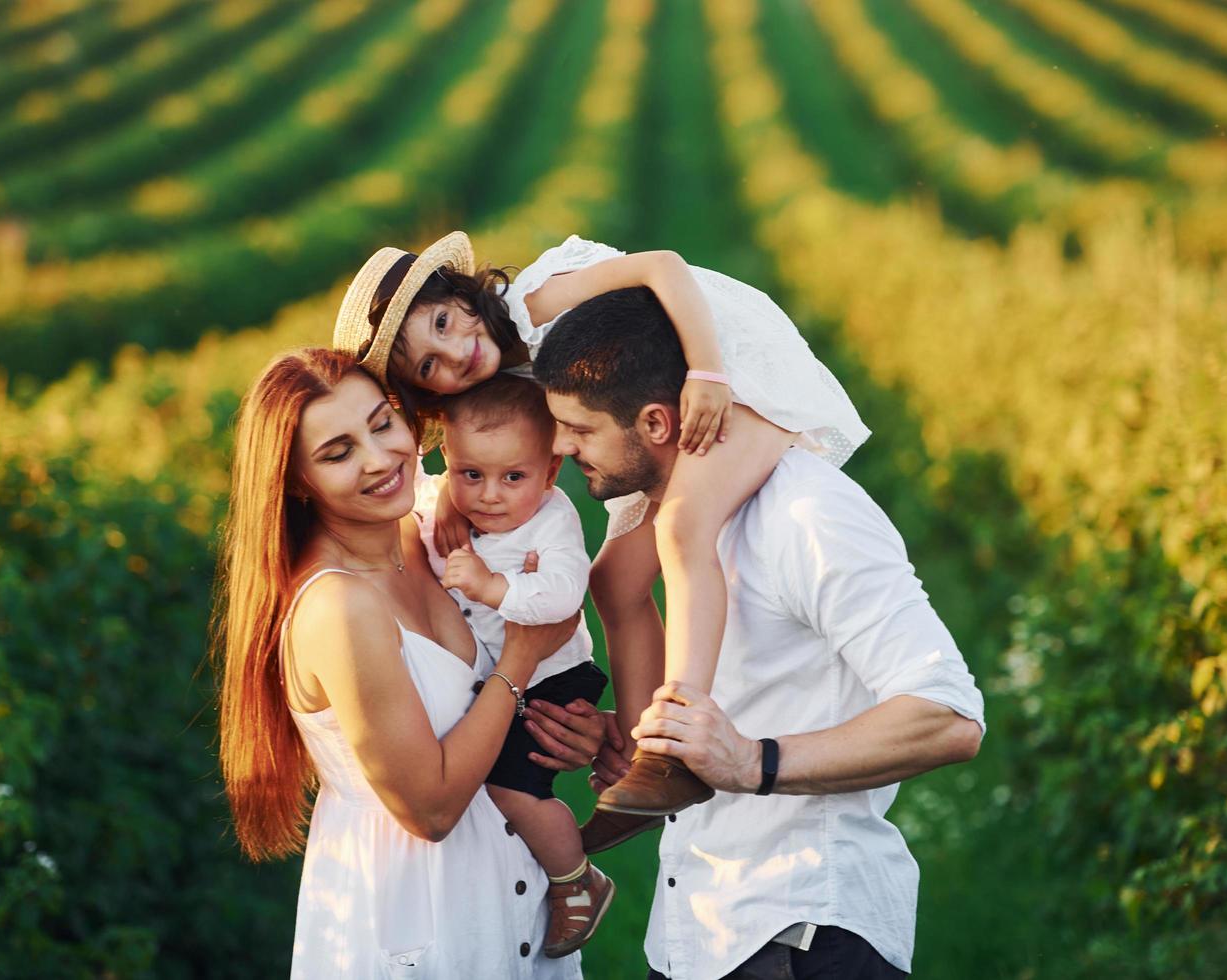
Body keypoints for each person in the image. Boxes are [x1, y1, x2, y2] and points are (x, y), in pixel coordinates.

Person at [332, 231, 871, 832]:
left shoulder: (533, 304)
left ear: (460, 294)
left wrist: (707, 371)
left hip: (731, 371)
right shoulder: (493, 379)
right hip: (653, 408)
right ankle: (642, 760)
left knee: (685, 527)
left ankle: (677, 744)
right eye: (428, 364)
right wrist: (454, 499)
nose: (454, 353)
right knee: (613, 580)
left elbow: (664, 266)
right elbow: (477, 447)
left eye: (441, 323)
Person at [533, 289, 987, 979]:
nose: (561, 449)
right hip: (697, 934)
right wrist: (633, 737)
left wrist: (753, 761)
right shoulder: (668, 528)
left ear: (656, 422)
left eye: (579, 429)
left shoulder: (807, 513)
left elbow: (949, 715)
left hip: (805, 936)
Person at [211, 347, 605, 978]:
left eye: (381, 424)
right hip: (424, 924)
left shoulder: (419, 533)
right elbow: (431, 809)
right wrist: (521, 663)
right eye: (338, 453)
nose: (379, 459)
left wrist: (573, 730)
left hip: (518, 902)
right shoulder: (340, 606)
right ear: (292, 480)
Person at [413, 373, 614, 958]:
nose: (490, 495)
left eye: (513, 477)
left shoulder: (551, 519)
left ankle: (576, 879)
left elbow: (562, 594)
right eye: (470, 474)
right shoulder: (449, 501)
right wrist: (444, 498)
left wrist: (494, 586)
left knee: (509, 786)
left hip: (555, 670)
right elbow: (421, 492)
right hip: (511, 673)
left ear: (551, 473)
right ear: (446, 459)